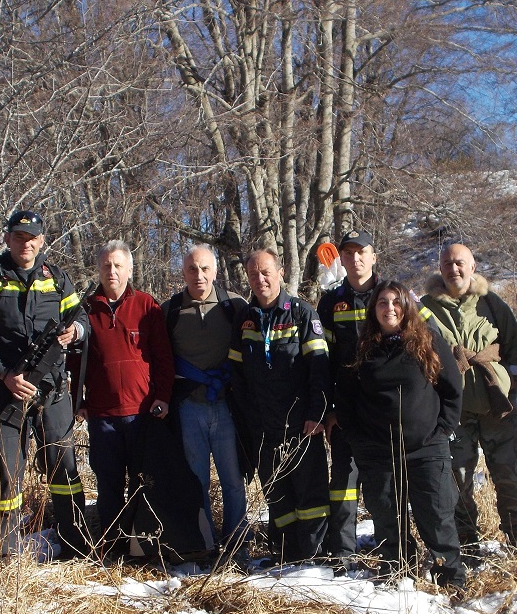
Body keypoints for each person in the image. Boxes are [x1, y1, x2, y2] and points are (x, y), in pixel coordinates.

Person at [0, 210, 90, 560]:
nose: (26, 243)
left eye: (32, 237)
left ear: (42, 241)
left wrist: (75, 331)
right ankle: (4, 554)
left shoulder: (57, 278)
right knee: (6, 473)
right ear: (7, 239)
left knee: (64, 468)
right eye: (19, 237)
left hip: (52, 391)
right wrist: (4, 374)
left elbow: (82, 317)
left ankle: (76, 546)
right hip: (4, 392)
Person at [335, 281, 466, 586]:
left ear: (407, 307)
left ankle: (451, 578)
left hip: (426, 449)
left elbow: (453, 388)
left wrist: (442, 429)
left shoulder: (427, 340)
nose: (390, 308)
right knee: (386, 518)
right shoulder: (362, 346)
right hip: (378, 452)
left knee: (436, 516)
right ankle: (399, 573)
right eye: (382, 302)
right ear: (373, 309)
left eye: (396, 302)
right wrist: (357, 439)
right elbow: (345, 397)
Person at [421, 243, 517, 559]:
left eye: (459, 263)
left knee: (507, 476)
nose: (453, 269)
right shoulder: (426, 307)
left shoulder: (491, 303)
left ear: (472, 266)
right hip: (454, 411)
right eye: (446, 263)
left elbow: (514, 348)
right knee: (457, 479)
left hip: (497, 406)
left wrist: (510, 386)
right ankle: (468, 546)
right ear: (439, 268)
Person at [229, 247, 330, 563]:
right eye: (253, 274)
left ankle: (313, 556)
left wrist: (316, 414)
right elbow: (236, 375)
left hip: (301, 424)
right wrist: (246, 421)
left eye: (265, 272)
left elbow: (320, 369)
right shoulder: (244, 319)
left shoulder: (301, 313)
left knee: (309, 492)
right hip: (263, 427)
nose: (260, 279)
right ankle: (286, 554)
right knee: (278, 494)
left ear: (280, 273)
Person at [80, 240, 175, 558]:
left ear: (129, 269)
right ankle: (111, 547)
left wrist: (162, 396)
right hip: (102, 415)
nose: (112, 271)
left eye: (118, 265)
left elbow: (163, 358)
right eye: (106, 265)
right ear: (98, 269)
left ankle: (140, 547)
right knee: (108, 485)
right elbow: (74, 361)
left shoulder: (147, 306)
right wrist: (78, 400)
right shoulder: (85, 309)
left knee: (141, 483)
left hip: (141, 414)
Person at [162, 244, 250, 555]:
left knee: (233, 480)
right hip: (189, 407)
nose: (198, 275)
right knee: (196, 480)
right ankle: (202, 544)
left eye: (204, 269)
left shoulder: (234, 305)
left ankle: (237, 546)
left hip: (225, 405)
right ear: (183, 272)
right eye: (191, 269)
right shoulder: (169, 310)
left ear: (215, 271)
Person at [317, 228, 380, 567]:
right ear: (340, 259)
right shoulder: (329, 302)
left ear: (373, 257)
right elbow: (321, 361)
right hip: (344, 408)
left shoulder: (391, 296)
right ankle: (342, 550)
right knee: (343, 480)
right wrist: (328, 409)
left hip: (383, 408)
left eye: (361, 252)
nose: (355, 259)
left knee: (384, 479)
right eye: (348, 253)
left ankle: (392, 544)